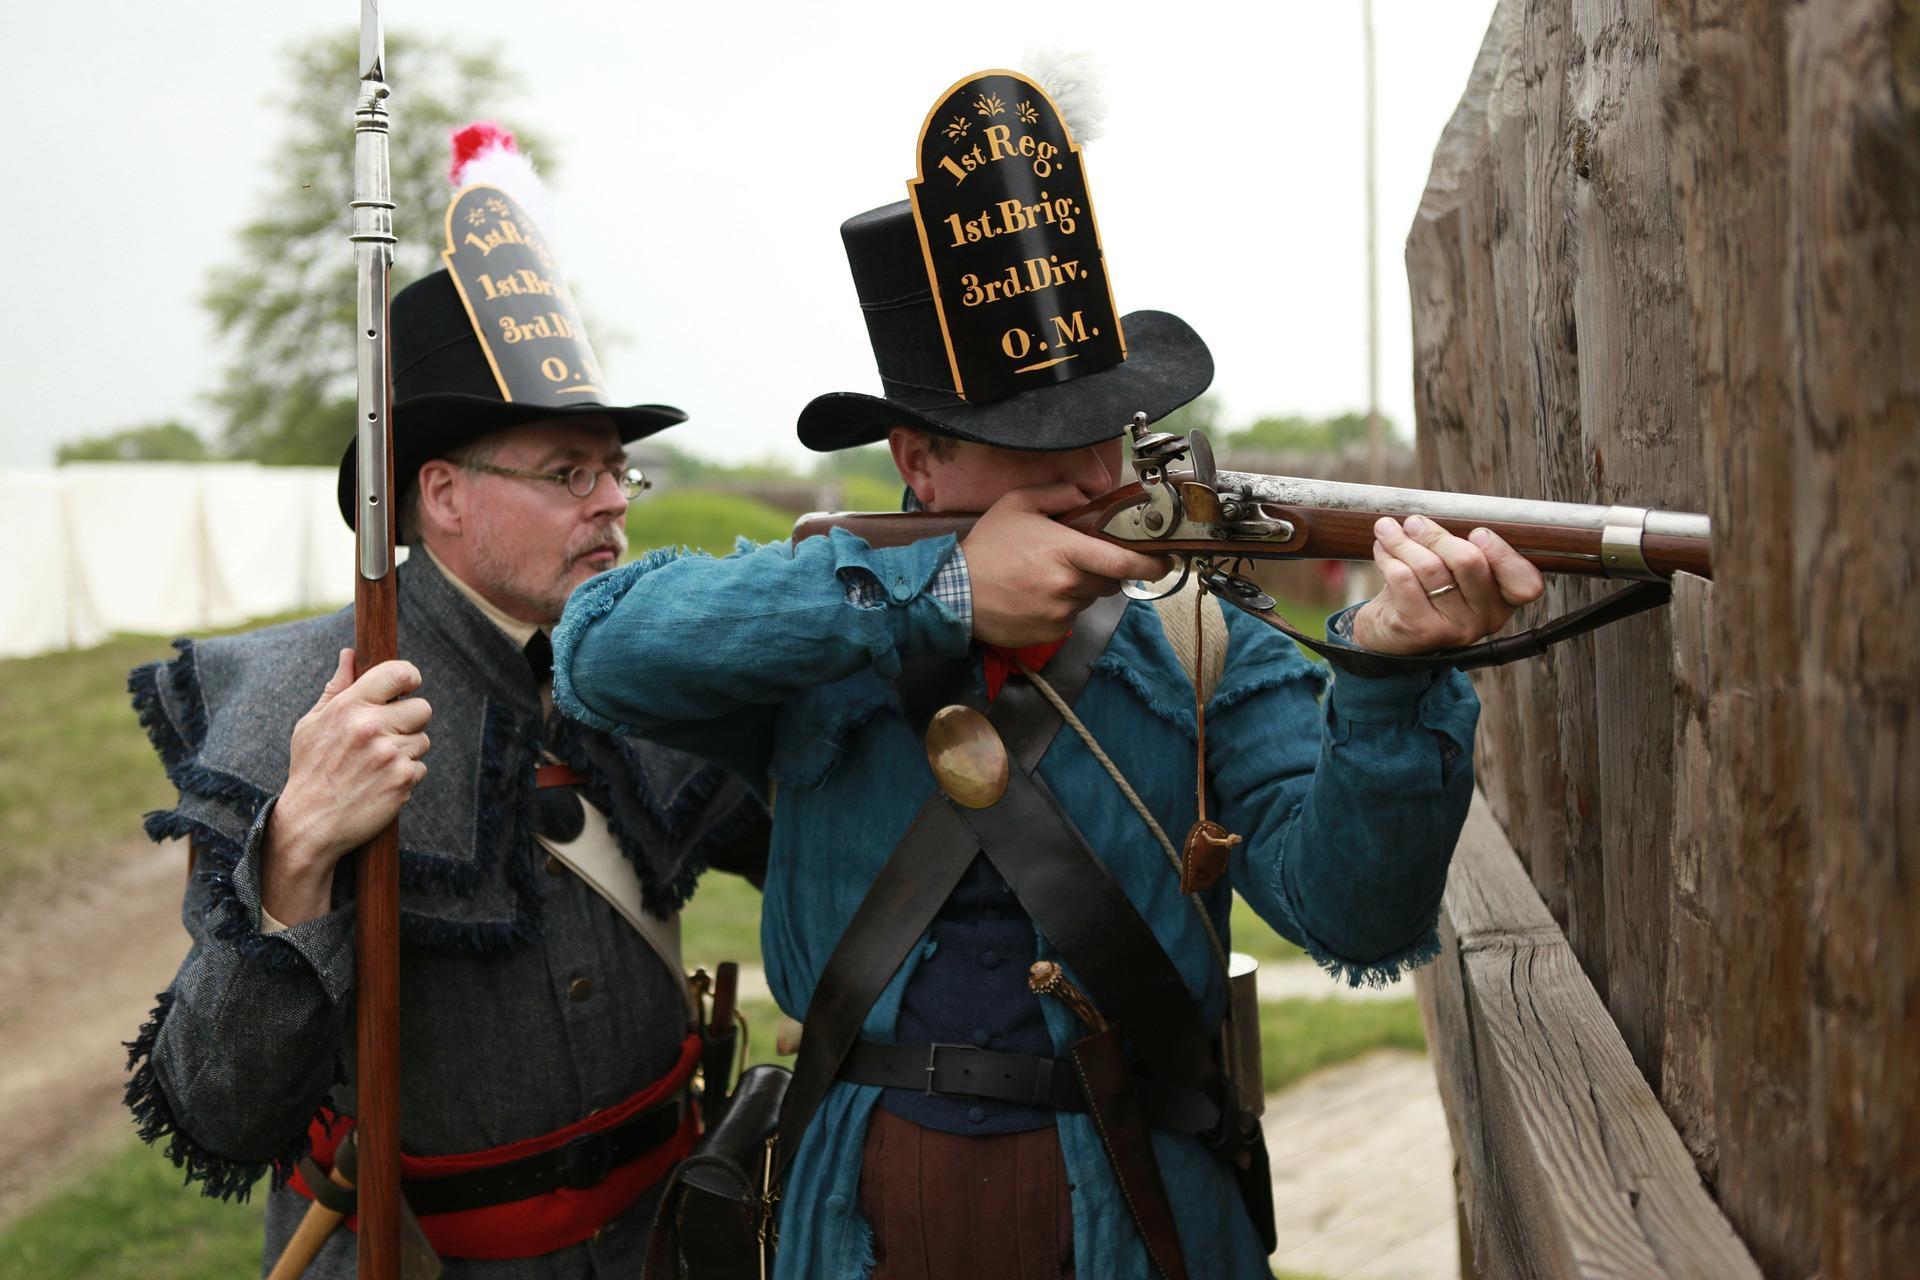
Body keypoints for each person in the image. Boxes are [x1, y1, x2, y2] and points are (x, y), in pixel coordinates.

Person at [551, 71, 1542, 1280]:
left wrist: (1389, 675)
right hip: (848, 1211)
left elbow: (1359, 917)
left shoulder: (1203, 643)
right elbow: (599, 648)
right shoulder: (820, 616)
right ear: (916, 457)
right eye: (1033, 443)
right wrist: (947, 592)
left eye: (1104, 431)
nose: (1088, 472)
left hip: (1140, 1212)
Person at [122, 159, 766, 1279]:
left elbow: (829, 846)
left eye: (616, 468)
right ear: (443, 493)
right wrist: (297, 849)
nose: (612, 498)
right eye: (569, 469)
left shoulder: (655, 662)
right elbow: (218, 1106)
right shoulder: (297, 704)